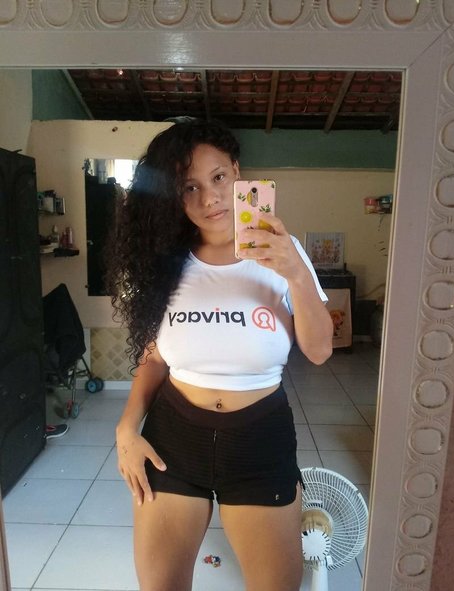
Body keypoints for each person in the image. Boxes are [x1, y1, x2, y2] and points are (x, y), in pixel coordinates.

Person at [105, 119, 333, 591]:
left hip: (259, 441)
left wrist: (295, 273)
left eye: (218, 178)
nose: (209, 198)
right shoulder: (164, 262)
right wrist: (126, 428)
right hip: (173, 440)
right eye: (189, 187)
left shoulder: (285, 254)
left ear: (237, 173)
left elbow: (319, 351)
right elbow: (155, 358)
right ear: (173, 196)